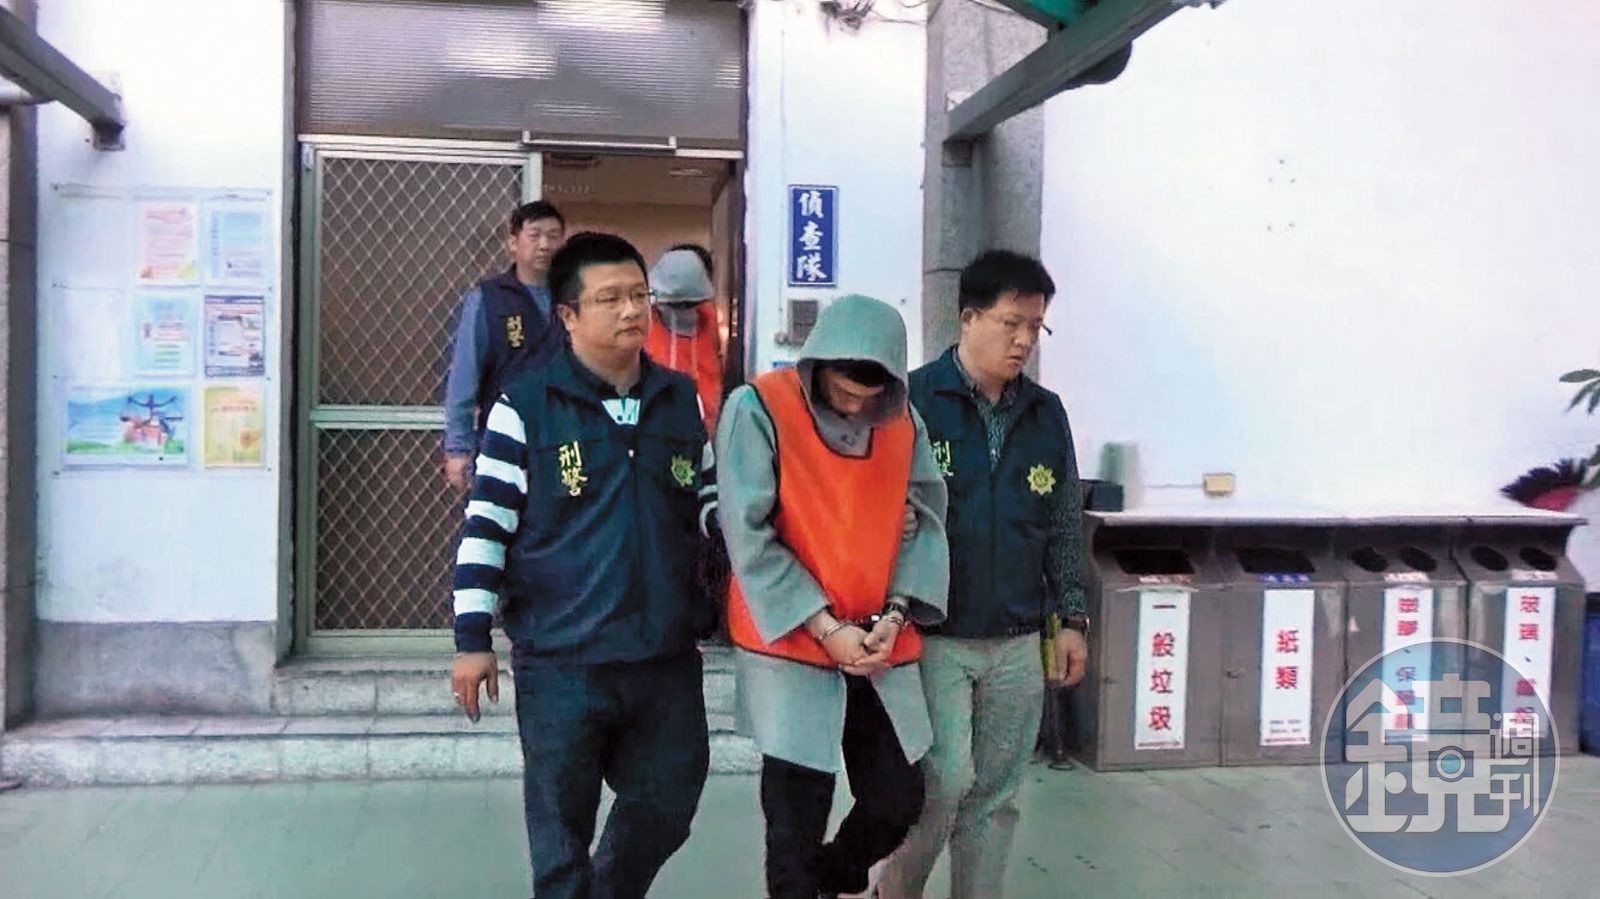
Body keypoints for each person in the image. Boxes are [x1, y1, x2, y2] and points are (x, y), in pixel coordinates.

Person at [449, 232, 716, 899]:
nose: (631, 310)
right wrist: (472, 639)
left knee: (670, 800)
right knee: (561, 833)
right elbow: (487, 525)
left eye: (639, 295)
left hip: (663, 653)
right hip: (562, 660)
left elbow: (711, 507)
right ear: (568, 315)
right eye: (610, 298)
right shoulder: (524, 406)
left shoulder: (680, 399)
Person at [717, 294, 950, 899]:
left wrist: (896, 613)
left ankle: (827, 876)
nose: (852, 407)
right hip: (792, 638)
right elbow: (748, 533)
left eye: (867, 397)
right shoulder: (759, 408)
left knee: (898, 799)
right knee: (796, 810)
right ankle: (798, 882)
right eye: (843, 392)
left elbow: (925, 520)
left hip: (876, 643)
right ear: (814, 363)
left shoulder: (904, 423)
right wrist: (825, 627)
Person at [878, 250, 1091, 899]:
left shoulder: (1046, 414)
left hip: (1019, 637)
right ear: (968, 318)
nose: (1024, 339)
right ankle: (895, 890)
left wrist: (1072, 617)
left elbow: (1062, 520)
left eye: (1035, 326)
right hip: (934, 633)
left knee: (996, 795)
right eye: (1010, 323)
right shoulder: (914, 400)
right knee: (942, 781)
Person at [441, 201, 568, 491]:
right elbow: (464, 378)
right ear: (513, 242)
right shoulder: (488, 299)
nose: (545, 245)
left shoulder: (574, 297)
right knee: (499, 513)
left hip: (565, 435)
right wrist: (458, 448)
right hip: (504, 435)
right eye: (535, 235)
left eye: (553, 236)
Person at [646, 243, 725, 435]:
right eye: (675, 304)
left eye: (689, 303)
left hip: (706, 427)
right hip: (654, 427)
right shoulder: (642, 323)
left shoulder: (712, 321)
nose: (682, 309)